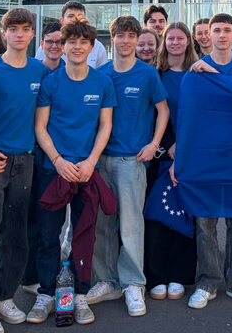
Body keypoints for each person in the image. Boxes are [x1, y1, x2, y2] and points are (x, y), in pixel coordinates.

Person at [32, 17, 115, 325]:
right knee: (47, 236)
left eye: (83, 42)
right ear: (62, 46)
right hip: (54, 169)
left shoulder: (102, 82)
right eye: (71, 42)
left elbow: (105, 125)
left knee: (84, 234)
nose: (77, 47)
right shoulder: (50, 82)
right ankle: (45, 293)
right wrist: (58, 161)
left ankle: (80, 294)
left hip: (86, 171)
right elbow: (40, 127)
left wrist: (92, 161)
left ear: (92, 47)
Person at [88, 16, 169, 317]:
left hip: (131, 160)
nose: (125, 41)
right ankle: (107, 280)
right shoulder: (100, 73)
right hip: (100, 160)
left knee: (131, 224)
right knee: (102, 223)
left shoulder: (147, 74)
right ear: (112, 40)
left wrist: (153, 143)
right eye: (120, 36)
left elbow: (163, 111)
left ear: (138, 40)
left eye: (131, 36)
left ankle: (133, 283)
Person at [0, 8, 50, 331]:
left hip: (25, 159)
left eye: (25, 29)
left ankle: (4, 296)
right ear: (3, 34)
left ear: (32, 34)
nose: (19, 35)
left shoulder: (39, 71)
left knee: (15, 232)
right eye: (13, 29)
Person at [186, 13, 232, 309]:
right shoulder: (195, 68)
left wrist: (213, 76)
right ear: (209, 35)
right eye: (216, 30)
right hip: (206, 151)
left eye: (227, 30)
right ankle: (207, 281)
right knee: (205, 220)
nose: (221, 35)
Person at [145, 22, 199, 301]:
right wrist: (167, 148)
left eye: (181, 38)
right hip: (160, 155)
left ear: (189, 42)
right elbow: (152, 115)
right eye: (170, 38)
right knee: (157, 213)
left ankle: (180, 274)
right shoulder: (156, 74)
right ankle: (156, 275)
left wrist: (184, 147)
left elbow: (204, 115)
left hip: (190, 155)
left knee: (185, 212)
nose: (175, 43)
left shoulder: (198, 74)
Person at [22, 21, 63, 295]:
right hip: (29, 153)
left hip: (59, 155)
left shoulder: (71, 72)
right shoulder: (33, 70)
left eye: (60, 41)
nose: (55, 46)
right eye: (50, 41)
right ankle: (29, 276)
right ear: (41, 43)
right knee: (30, 219)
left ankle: (54, 272)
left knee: (52, 221)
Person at [35, 1, 109, 68]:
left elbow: (102, 72)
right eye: (71, 16)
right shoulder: (48, 46)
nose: (75, 19)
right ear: (62, 21)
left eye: (80, 16)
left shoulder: (97, 46)